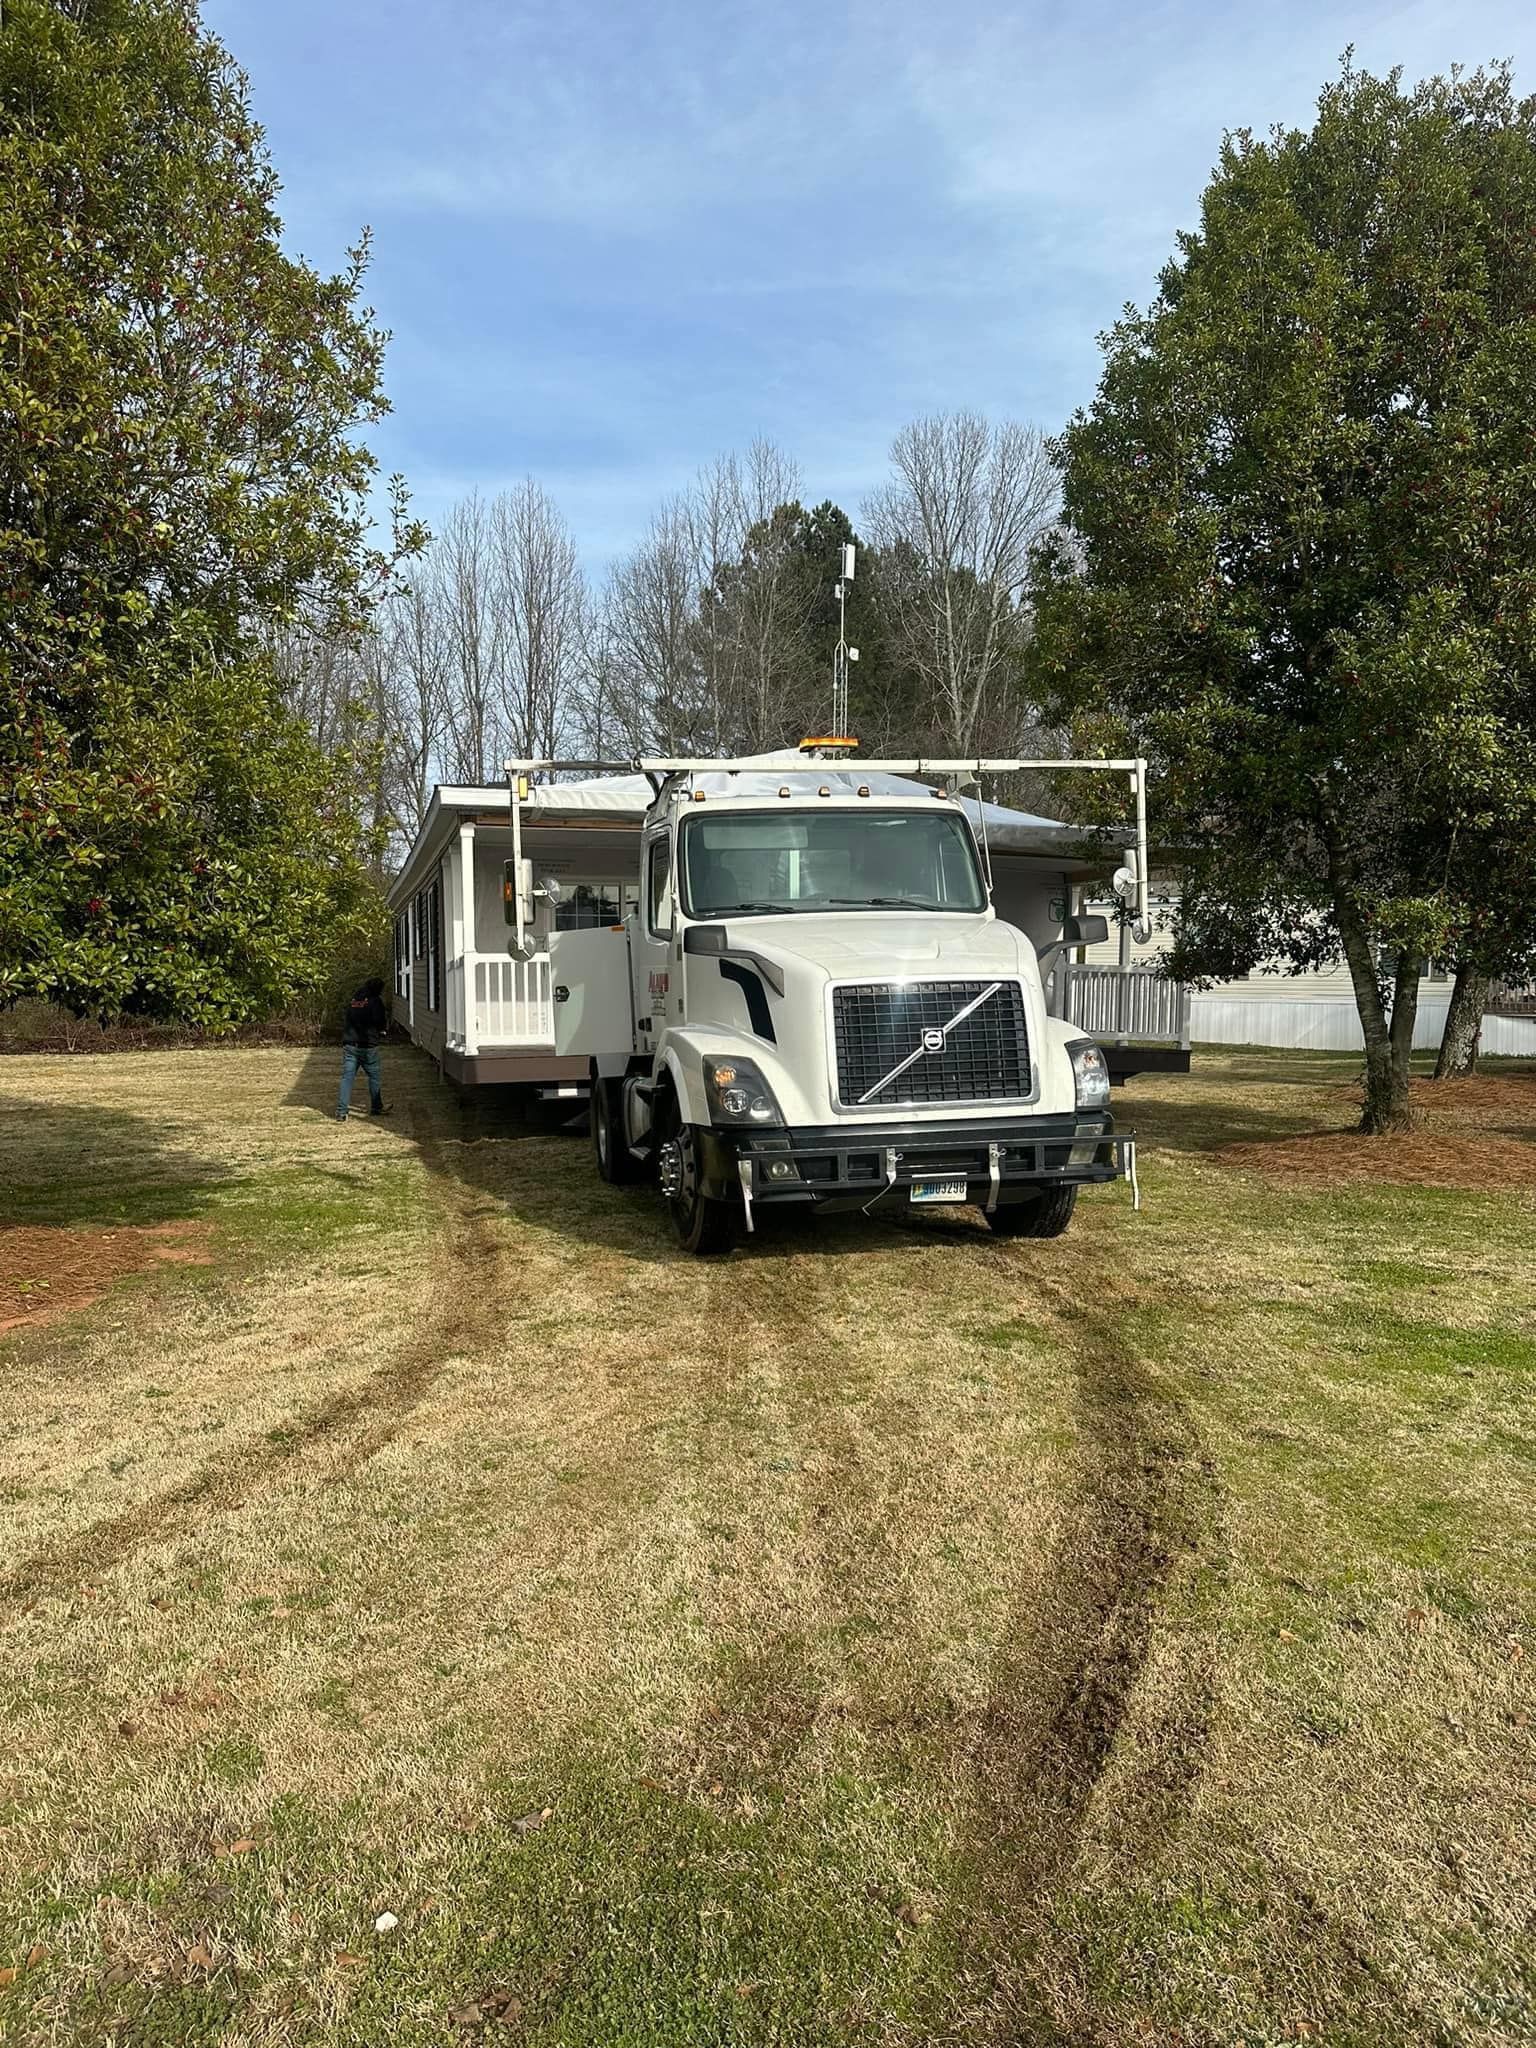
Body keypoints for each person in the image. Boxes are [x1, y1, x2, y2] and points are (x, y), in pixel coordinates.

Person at [336, 977, 390, 1121]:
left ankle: (341, 1112)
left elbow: (347, 1018)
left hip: (350, 1044)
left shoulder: (354, 999)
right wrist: (382, 1030)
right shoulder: (375, 1001)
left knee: (347, 1078)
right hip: (368, 1046)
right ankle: (377, 1107)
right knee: (374, 1077)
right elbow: (379, 1020)